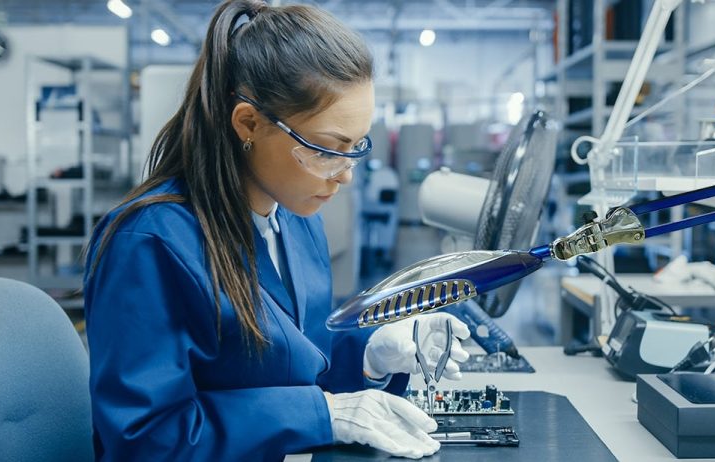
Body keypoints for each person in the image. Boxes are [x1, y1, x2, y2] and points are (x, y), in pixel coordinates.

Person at [82, 1, 470, 460]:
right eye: (327, 149)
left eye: (356, 147)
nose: (344, 175)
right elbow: (146, 440)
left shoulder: (295, 223)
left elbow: (292, 364)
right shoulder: (149, 244)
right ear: (248, 123)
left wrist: (370, 353)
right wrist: (322, 416)